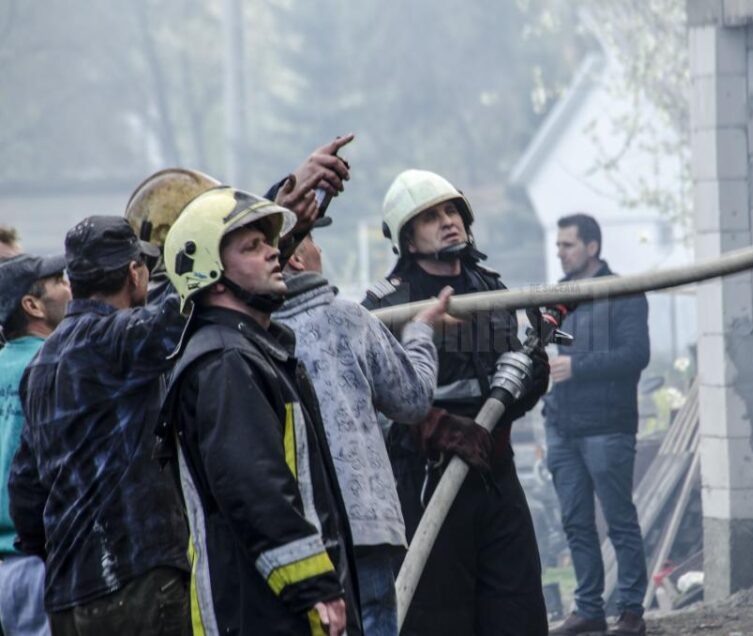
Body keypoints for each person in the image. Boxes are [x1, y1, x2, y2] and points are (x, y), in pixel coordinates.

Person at [161, 187, 362, 636]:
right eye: (252, 247)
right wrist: (314, 587)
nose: (274, 253)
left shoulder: (252, 353)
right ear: (213, 276)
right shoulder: (227, 363)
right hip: (265, 612)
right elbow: (254, 488)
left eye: (268, 242)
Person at [362, 169, 549, 636]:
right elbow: (366, 405)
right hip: (426, 487)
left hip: (496, 478)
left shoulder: (491, 290)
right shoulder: (384, 308)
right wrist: (432, 425)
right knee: (437, 619)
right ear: (407, 238)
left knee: (518, 613)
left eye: (451, 211)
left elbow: (515, 391)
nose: (448, 222)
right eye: (430, 216)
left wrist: (533, 370)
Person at [9, 217, 190, 636]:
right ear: (134, 273)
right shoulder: (116, 338)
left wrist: (54, 550)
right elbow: (192, 301)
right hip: (135, 580)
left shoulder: (40, 365)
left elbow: (24, 490)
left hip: (68, 597)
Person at [273, 230, 447, 636]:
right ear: (297, 259)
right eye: (314, 240)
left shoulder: (256, 335)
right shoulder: (347, 318)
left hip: (296, 536)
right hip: (364, 524)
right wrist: (421, 334)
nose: (321, 248)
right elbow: (413, 400)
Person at [544, 213, 650, 636]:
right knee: (575, 521)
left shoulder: (623, 292)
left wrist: (577, 366)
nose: (560, 252)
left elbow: (635, 355)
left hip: (608, 427)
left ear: (592, 247)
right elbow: (542, 352)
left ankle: (630, 612)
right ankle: (588, 609)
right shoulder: (557, 298)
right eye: (558, 246)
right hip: (563, 429)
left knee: (619, 519)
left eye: (568, 245)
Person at [0, 254, 70, 636]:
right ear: (32, 306)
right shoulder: (53, 366)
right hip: (40, 561)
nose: (69, 287)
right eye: (59, 281)